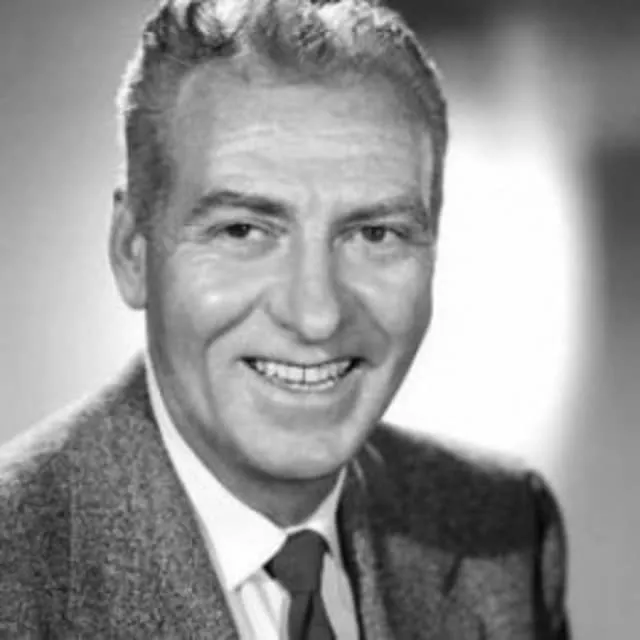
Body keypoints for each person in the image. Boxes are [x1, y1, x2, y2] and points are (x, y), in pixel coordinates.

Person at [0, 0, 570, 637]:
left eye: (375, 234)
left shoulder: (504, 531)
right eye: (243, 230)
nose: (317, 315)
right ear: (133, 250)